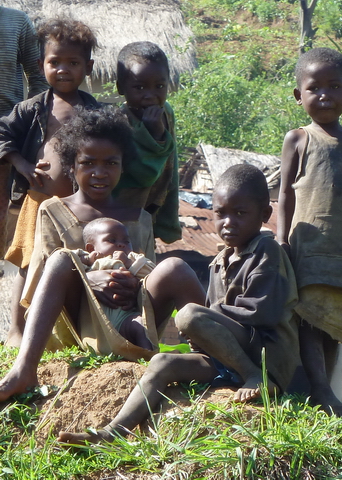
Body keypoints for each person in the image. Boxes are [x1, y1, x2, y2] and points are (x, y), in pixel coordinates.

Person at [57, 164, 300, 444]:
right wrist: (203, 332)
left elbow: (262, 313)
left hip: (264, 354)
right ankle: (108, 435)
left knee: (189, 316)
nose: (227, 222)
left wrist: (203, 320)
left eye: (240, 213)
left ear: (265, 215)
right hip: (231, 357)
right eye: (220, 213)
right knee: (162, 362)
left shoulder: (267, 251)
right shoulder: (219, 261)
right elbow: (212, 320)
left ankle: (257, 378)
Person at [0, 107, 205, 402]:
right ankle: (24, 368)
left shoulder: (140, 217)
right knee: (61, 259)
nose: (100, 172)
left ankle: (210, 356)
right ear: (72, 165)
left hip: (134, 322)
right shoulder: (54, 210)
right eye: (88, 163)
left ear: (123, 166)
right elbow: (44, 275)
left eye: (111, 163)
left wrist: (133, 283)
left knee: (175, 267)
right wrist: (90, 277)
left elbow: (148, 274)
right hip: (78, 324)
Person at [277, 47, 342, 417]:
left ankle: (325, 392)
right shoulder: (299, 139)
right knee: (308, 316)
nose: (324, 95)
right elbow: (285, 194)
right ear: (298, 96)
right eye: (314, 88)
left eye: (334, 87)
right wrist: (280, 238)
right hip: (306, 245)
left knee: (337, 320)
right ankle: (321, 390)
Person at [0, 18, 99, 347]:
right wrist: (23, 164)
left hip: (78, 209)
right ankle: (16, 330)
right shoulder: (30, 108)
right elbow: (3, 134)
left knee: (76, 268)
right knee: (29, 267)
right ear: (41, 64)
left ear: (88, 66)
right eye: (54, 62)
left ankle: (74, 334)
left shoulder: (93, 111)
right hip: (37, 203)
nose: (63, 70)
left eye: (73, 63)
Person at [111, 41, 181, 244]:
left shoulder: (166, 112)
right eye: (139, 87)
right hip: (122, 215)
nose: (150, 96)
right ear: (120, 88)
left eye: (159, 86)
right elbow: (145, 174)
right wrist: (156, 133)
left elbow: (171, 167)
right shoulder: (119, 123)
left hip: (149, 214)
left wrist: (168, 221)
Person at [0, 6, 49, 256]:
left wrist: (29, 122)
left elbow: (38, 75)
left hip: (6, 131)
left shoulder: (16, 21)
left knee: (2, 205)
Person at [75, 217, 157, 350]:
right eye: (111, 240)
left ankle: (147, 359)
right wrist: (86, 259)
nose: (121, 245)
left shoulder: (132, 259)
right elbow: (66, 261)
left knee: (140, 324)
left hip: (124, 318)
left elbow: (155, 274)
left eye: (126, 241)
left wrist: (130, 263)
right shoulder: (90, 264)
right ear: (91, 248)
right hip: (96, 324)